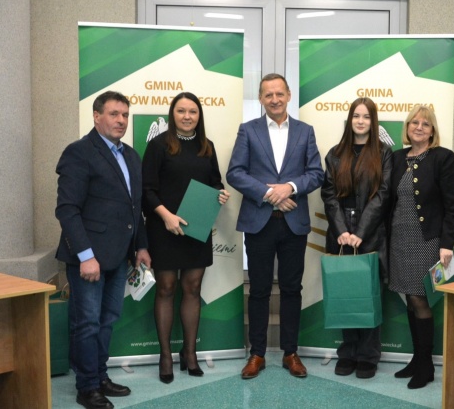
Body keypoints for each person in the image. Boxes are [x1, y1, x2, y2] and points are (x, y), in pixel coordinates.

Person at [55, 91, 151, 409]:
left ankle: (99, 376)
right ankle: (87, 387)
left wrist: (141, 246)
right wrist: (86, 256)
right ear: (97, 116)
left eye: (125, 115)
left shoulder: (131, 156)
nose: (121, 120)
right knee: (87, 323)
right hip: (89, 259)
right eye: (113, 114)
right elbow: (67, 209)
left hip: (119, 256)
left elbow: (135, 207)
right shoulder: (79, 152)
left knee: (108, 319)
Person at [226, 73, 324, 379]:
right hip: (259, 223)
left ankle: (290, 353)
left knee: (292, 289)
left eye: (279, 93)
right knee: (258, 290)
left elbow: (316, 173)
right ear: (260, 98)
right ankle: (256, 354)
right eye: (268, 94)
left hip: (294, 224)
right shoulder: (248, 130)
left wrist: (290, 188)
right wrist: (271, 195)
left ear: (289, 95)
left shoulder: (305, 132)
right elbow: (235, 173)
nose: (274, 99)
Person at [142, 92, 230, 384]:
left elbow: (215, 182)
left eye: (193, 111)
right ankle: (165, 356)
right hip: (164, 228)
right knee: (166, 287)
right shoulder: (158, 145)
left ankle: (190, 353)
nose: (187, 116)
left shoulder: (207, 146)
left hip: (196, 228)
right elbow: (146, 190)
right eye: (181, 111)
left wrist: (220, 193)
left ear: (199, 115)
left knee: (192, 288)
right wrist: (166, 216)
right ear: (173, 114)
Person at [387, 104, 454, 389]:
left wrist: (447, 244)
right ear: (407, 128)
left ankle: (426, 365)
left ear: (432, 131)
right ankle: (417, 359)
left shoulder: (443, 158)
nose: (419, 127)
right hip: (399, 239)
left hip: (427, 240)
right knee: (409, 297)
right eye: (414, 122)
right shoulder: (397, 158)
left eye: (425, 124)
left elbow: (452, 205)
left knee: (420, 299)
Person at [321, 97, 392, 379]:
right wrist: (342, 231)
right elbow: (328, 195)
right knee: (345, 293)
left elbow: (383, 195)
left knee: (369, 295)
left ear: (373, 122)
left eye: (366, 117)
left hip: (370, 235)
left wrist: (360, 233)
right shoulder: (335, 153)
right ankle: (348, 353)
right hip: (340, 235)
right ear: (350, 120)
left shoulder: (384, 153)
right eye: (356, 116)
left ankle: (368, 356)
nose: (361, 121)